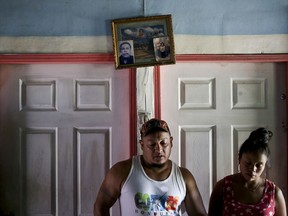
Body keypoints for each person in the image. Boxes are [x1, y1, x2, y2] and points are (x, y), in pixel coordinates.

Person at [94, 118, 207, 216]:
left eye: (164, 143)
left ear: (171, 142)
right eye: (152, 144)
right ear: (142, 144)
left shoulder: (184, 177)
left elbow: (199, 214)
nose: (159, 149)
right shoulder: (122, 171)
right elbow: (100, 206)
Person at [208, 128, 287, 216]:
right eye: (248, 163)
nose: (253, 169)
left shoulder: (274, 192)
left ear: (265, 165)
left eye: (259, 165)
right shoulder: (222, 187)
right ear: (239, 159)